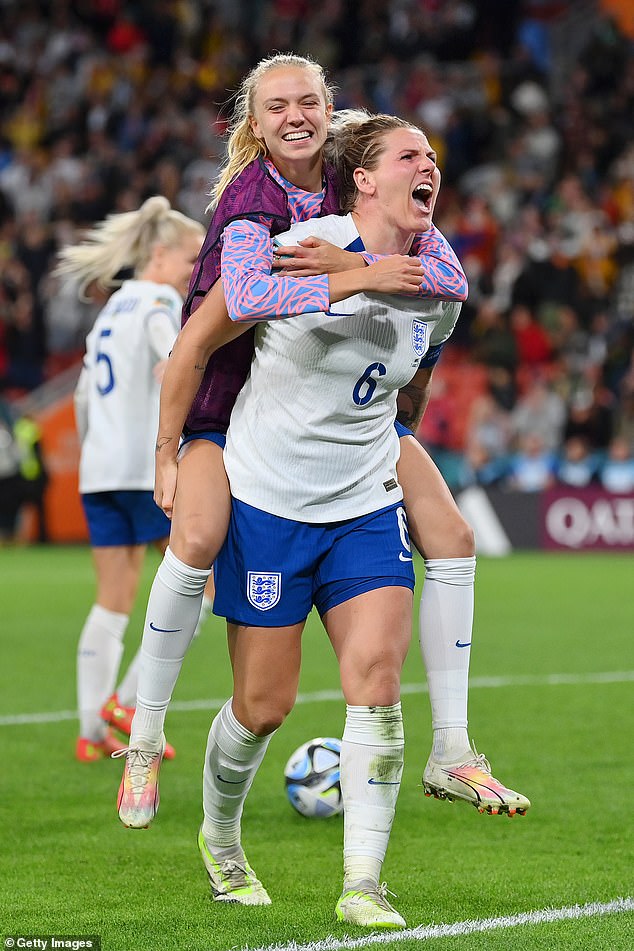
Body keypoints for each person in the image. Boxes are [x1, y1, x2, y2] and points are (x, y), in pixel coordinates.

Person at [119, 54, 528, 826]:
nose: (297, 117)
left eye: (309, 101)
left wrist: (361, 266)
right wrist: (165, 450)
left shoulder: (354, 169)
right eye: (277, 107)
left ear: (330, 107)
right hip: (224, 402)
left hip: (338, 405)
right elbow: (229, 310)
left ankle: (453, 747)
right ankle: (142, 738)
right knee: (199, 532)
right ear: (254, 123)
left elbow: (440, 278)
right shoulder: (250, 202)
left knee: (453, 531)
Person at [54, 196, 207, 761]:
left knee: (112, 601)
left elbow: (82, 395)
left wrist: (97, 450)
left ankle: (91, 733)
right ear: (160, 255)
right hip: (146, 468)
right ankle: (130, 703)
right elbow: (173, 362)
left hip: (100, 471)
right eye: (191, 259)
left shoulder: (112, 309)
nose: (196, 270)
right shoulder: (159, 301)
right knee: (201, 588)